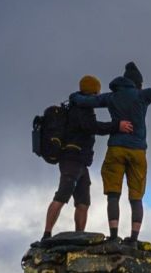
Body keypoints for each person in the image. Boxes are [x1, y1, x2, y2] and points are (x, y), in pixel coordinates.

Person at [70, 59, 151, 244]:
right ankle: (133, 237)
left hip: (116, 148)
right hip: (138, 151)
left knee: (113, 194)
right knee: (136, 197)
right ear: (138, 83)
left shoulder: (111, 97)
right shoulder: (142, 96)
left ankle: (114, 236)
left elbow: (86, 101)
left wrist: (74, 96)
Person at [42, 75, 134, 240]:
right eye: (97, 93)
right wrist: (116, 126)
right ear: (93, 92)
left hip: (80, 161)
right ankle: (46, 234)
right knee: (62, 195)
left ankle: (79, 236)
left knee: (83, 202)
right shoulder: (80, 108)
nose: (98, 96)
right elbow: (92, 127)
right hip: (72, 158)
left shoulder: (77, 106)